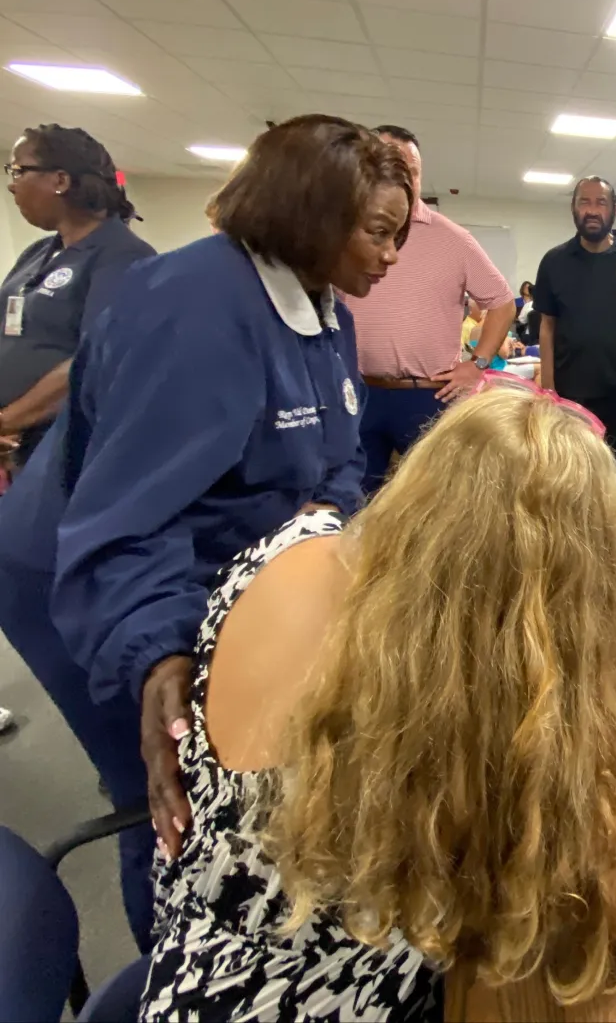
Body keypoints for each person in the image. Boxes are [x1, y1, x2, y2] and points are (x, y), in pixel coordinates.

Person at [141, 385, 616, 1017]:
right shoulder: (460, 690)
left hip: (186, 963)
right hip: (319, 995)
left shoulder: (291, 547)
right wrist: (601, 697)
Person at [0, 114, 414, 949]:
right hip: (81, 572)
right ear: (310, 212)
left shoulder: (326, 307)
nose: (392, 256)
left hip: (204, 556)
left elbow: (333, 456)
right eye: (378, 232)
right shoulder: (192, 308)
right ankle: (176, 962)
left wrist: (328, 528)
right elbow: (127, 520)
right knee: (165, 778)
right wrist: (160, 653)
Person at [342, 124, 514, 494]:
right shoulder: (341, 234)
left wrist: (478, 364)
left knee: (439, 503)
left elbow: (501, 303)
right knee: (353, 502)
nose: (402, 179)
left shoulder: (451, 238)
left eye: (411, 170)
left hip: (428, 395)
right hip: (358, 392)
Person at [0, 125, 155, 470]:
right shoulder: (38, 252)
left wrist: (8, 420)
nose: (12, 183)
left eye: (19, 170)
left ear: (60, 180)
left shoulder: (123, 256)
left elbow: (94, 362)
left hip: (56, 447)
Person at [534, 177, 616, 476]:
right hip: (570, 396)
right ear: (573, 208)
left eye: (600, 203)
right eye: (584, 202)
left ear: (614, 210)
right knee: (570, 478)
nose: (592, 210)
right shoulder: (554, 262)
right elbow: (547, 327)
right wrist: (549, 388)